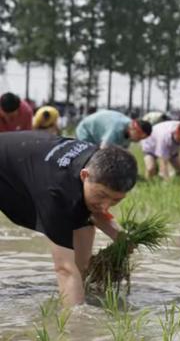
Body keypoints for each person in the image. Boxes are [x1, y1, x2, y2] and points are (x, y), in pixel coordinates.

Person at [0, 131, 138, 306]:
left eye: (116, 200)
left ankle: (81, 291)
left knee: (83, 227)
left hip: (28, 161)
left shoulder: (100, 161)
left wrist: (121, 238)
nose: (106, 206)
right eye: (101, 195)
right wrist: (78, 324)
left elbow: (94, 213)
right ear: (84, 176)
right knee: (68, 267)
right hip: (11, 171)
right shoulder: (55, 193)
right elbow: (64, 269)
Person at [75, 109, 152, 148]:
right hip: (86, 131)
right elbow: (103, 149)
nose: (138, 140)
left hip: (99, 135)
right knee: (89, 156)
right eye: (139, 137)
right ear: (134, 129)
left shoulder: (129, 132)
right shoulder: (116, 128)